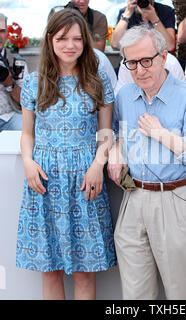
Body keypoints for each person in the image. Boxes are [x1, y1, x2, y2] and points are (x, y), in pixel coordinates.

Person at [16, 9, 116, 300]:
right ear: (50, 40)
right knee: (51, 269)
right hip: (44, 179)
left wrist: (98, 165)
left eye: (76, 38)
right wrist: (27, 162)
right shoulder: (35, 83)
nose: (70, 45)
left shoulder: (97, 80)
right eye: (62, 38)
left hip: (86, 178)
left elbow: (106, 134)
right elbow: (27, 133)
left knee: (85, 270)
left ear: (85, 41)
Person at [108, 24, 186, 300]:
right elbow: (119, 134)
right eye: (131, 63)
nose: (139, 70)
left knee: (178, 292)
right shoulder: (125, 96)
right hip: (134, 199)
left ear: (164, 57)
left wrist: (161, 134)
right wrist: (117, 150)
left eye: (146, 60)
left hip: (174, 198)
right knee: (134, 293)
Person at [111, 0, 176, 52]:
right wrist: (127, 15)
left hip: (159, 55)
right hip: (134, 55)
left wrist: (154, 19)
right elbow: (115, 44)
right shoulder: (127, 12)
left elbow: (170, 46)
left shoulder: (166, 11)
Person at [0, 13, 28, 132]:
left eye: (1, 31)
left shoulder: (17, 61)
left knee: (27, 129)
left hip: (8, 116)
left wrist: (9, 84)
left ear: (7, 33)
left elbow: (27, 100)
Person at [114, 50, 184, 95]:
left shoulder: (171, 64)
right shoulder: (126, 65)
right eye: (133, 62)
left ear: (163, 58)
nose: (140, 72)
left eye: (147, 61)